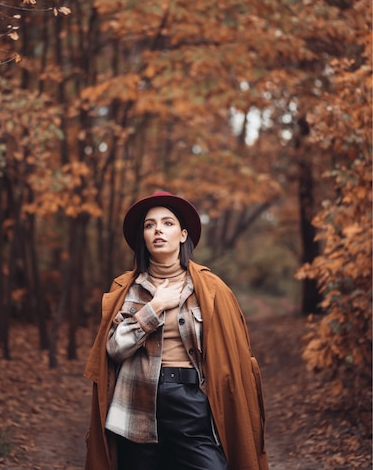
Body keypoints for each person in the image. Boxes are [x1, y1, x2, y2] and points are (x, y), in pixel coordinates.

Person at [84, 191, 269, 470]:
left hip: (190, 401)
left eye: (167, 223)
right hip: (135, 402)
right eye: (150, 225)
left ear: (183, 235)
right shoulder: (126, 290)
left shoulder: (210, 289)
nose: (158, 229)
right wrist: (154, 308)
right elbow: (113, 349)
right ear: (143, 239)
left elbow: (231, 358)